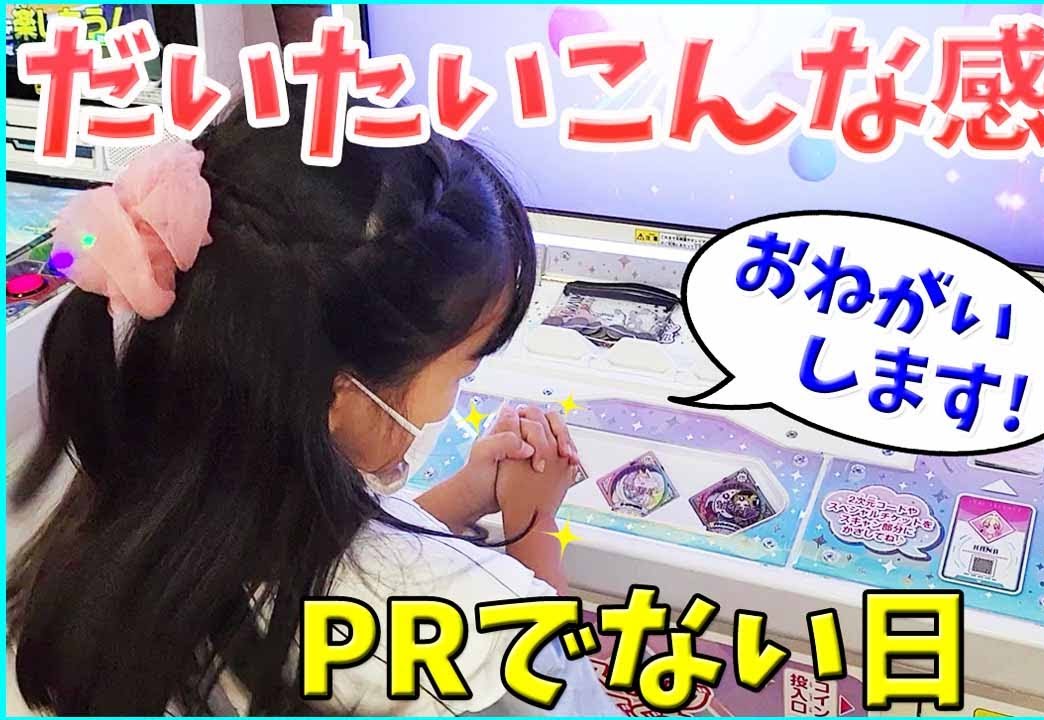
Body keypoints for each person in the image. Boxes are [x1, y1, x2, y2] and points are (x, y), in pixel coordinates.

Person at [6, 95, 618, 716]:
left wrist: (460, 498)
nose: (457, 392)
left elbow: (313, 564)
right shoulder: (483, 621)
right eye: (464, 365)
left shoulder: (125, 512)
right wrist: (534, 530)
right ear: (339, 396)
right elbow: (550, 683)